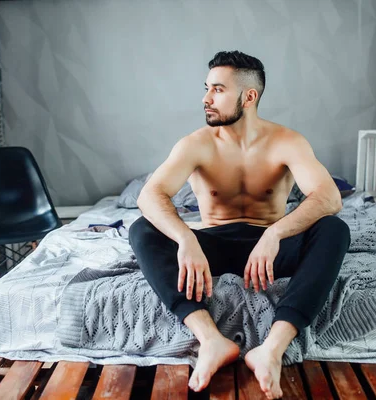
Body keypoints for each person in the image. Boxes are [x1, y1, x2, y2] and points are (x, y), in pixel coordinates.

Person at [129, 50, 350, 399]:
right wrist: (186, 239)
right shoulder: (196, 144)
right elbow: (149, 196)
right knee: (141, 229)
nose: (206, 98)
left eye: (217, 89)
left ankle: (272, 349)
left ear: (249, 96)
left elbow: (329, 197)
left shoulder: (286, 142)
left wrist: (276, 232)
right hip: (211, 244)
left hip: (270, 251)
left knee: (335, 229)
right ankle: (210, 339)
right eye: (207, 88)